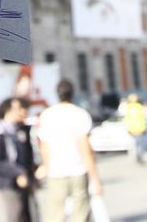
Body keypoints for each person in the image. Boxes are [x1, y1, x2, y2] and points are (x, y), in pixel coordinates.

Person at [37, 78, 103, 222]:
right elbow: (86, 149)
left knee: (55, 214)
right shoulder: (79, 114)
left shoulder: (47, 115)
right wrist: (95, 178)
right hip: (78, 169)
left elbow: (44, 146)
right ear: (73, 93)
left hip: (56, 171)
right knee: (80, 213)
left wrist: (46, 166)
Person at [0, 97, 37, 222]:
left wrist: (31, 175)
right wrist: (18, 173)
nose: (21, 112)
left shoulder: (21, 130)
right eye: (18, 109)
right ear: (8, 111)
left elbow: (28, 157)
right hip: (8, 182)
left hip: (25, 180)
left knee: (30, 215)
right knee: (15, 213)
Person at [123, 93, 147, 164]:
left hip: (132, 129)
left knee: (135, 144)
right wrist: (145, 127)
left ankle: (137, 156)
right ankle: (139, 156)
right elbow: (144, 118)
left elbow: (126, 120)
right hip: (140, 129)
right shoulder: (140, 107)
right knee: (141, 144)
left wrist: (128, 129)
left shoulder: (128, 108)